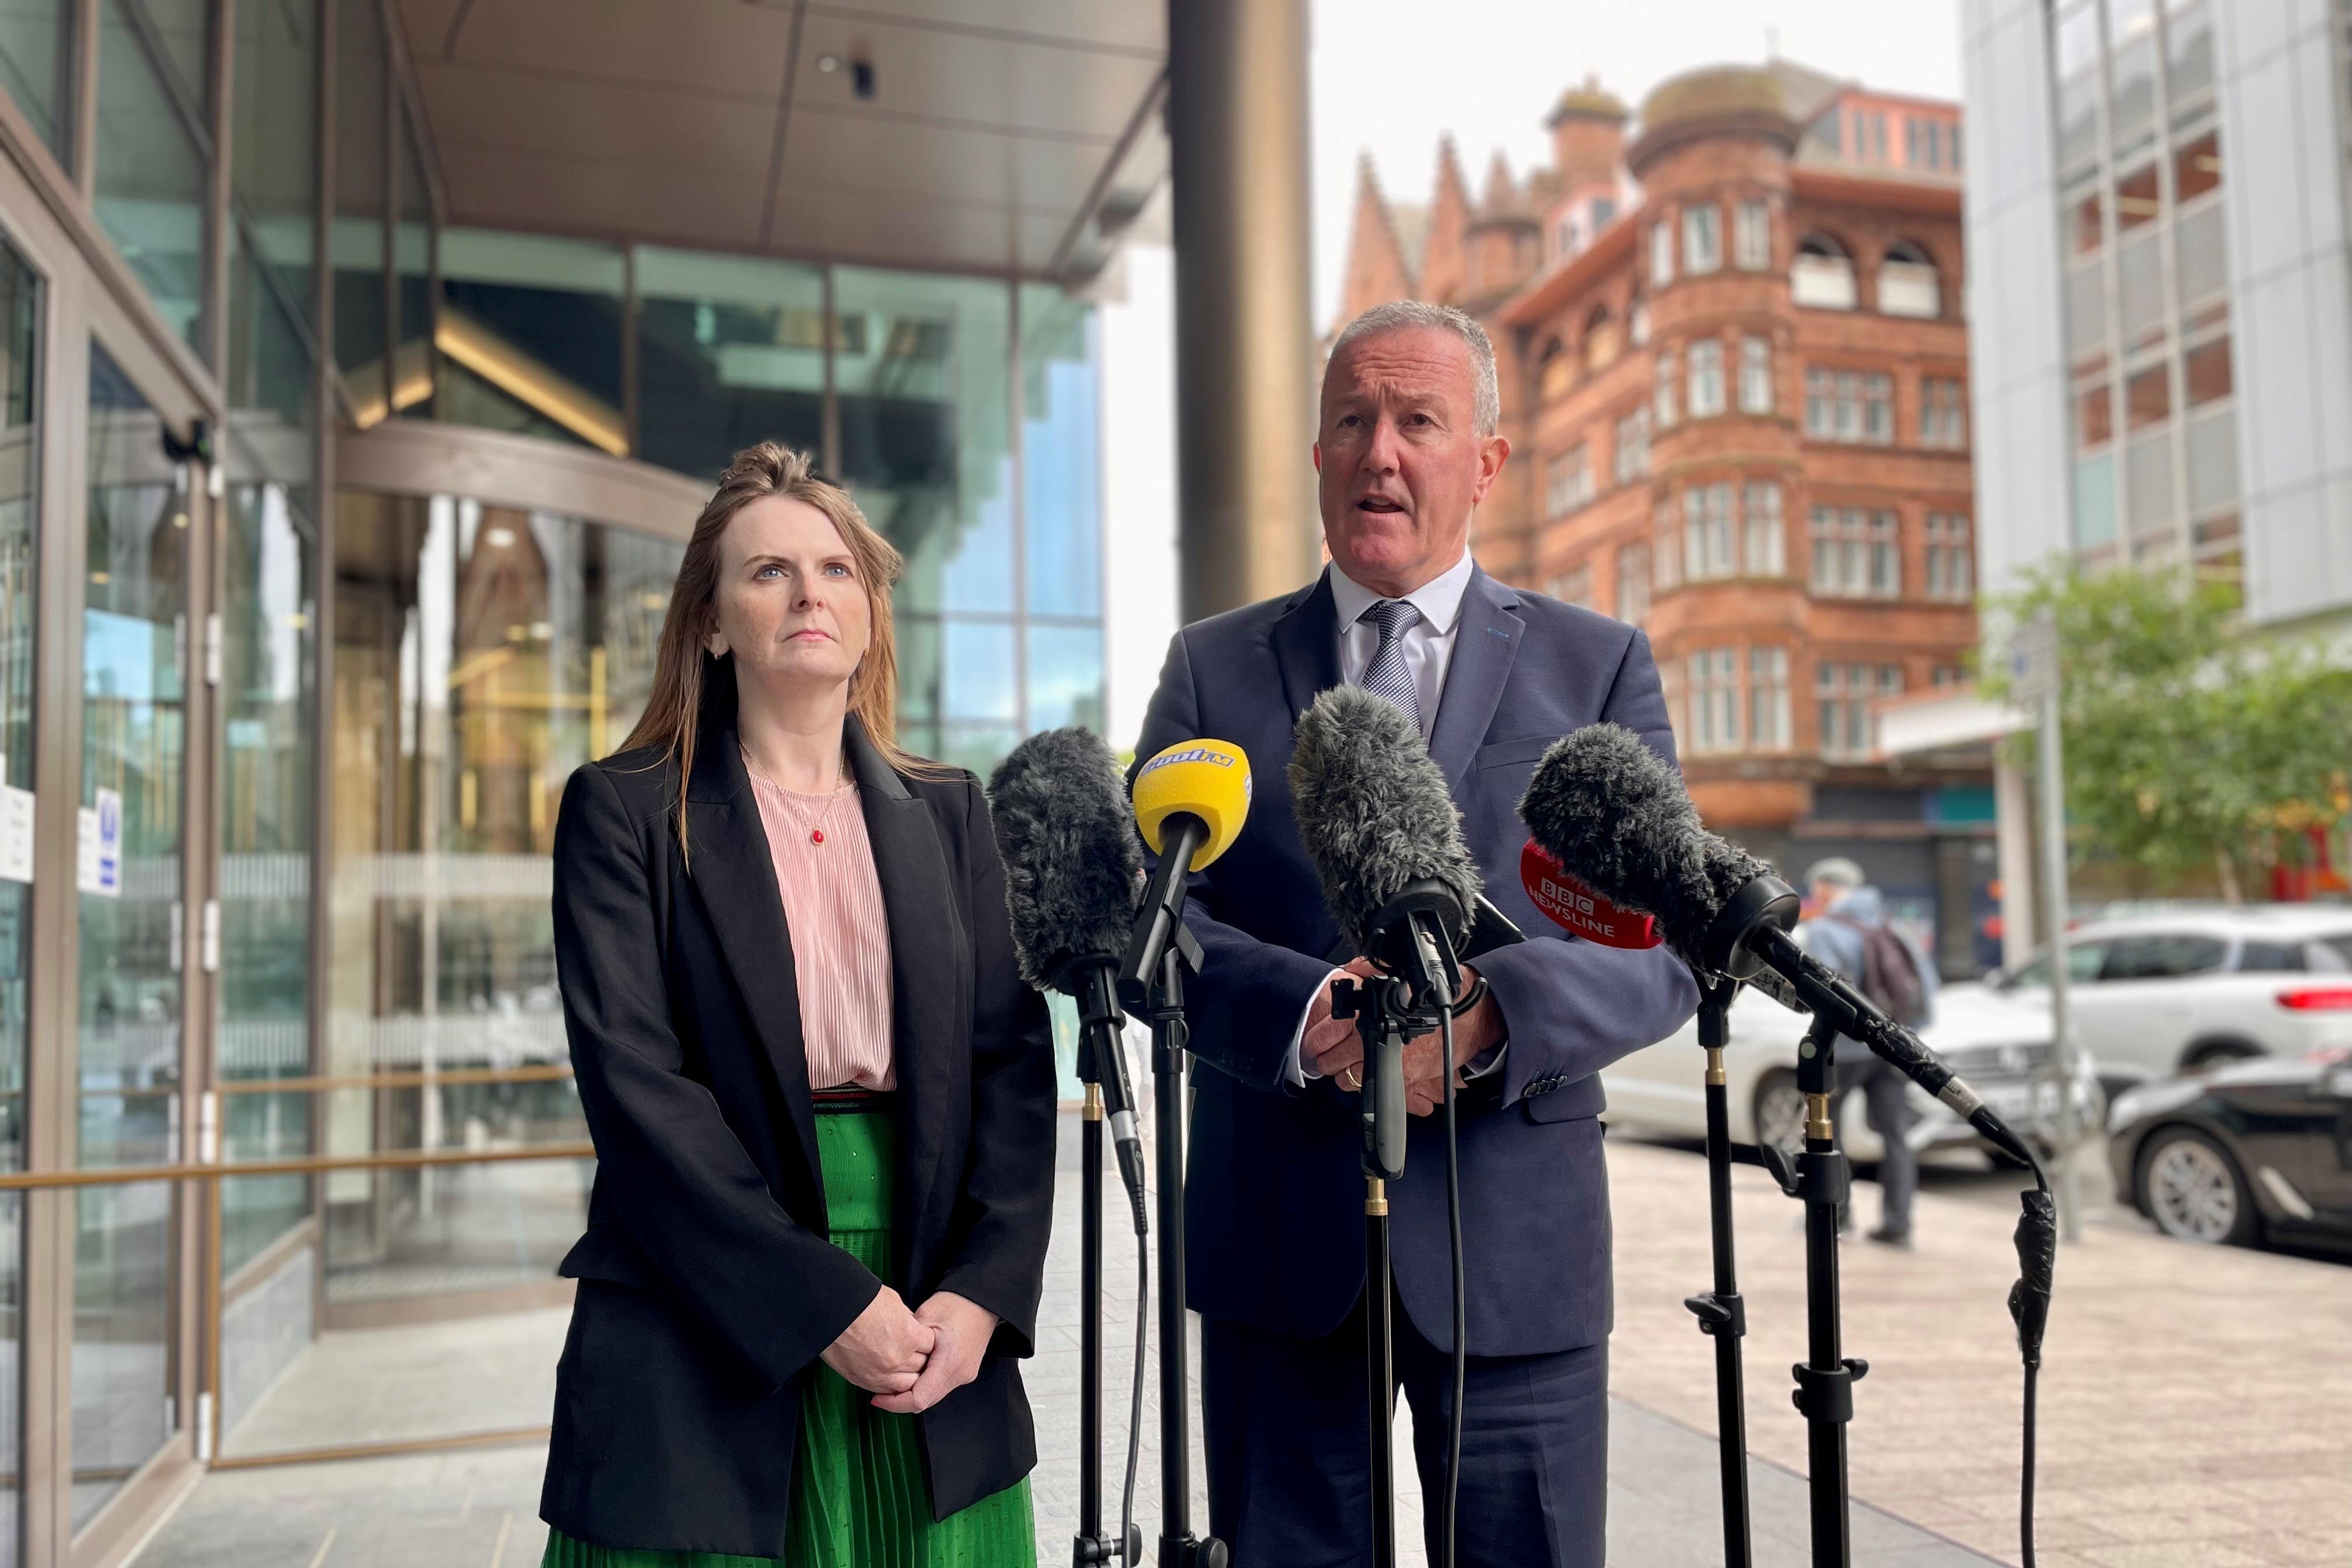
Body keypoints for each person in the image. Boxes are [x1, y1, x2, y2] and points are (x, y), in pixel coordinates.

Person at [1133, 300, 1700, 1567]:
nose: (1380, 450)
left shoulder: (1595, 665)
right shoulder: (1211, 668)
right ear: (1320, 458)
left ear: (1485, 462)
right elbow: (1159, 915)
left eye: (1418, 421)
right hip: (1280, 1245)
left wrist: (1496, 1019)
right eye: (1352, 422)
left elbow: (1663, 942)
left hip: (1515, 1259)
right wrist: (1302, 1013)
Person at [538, 443, 1055, 1566]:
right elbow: (637, 1096)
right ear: (712, 623)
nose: (809, 591)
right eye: (768, 571)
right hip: (704, 1293)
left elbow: (1012, 1066)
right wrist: (821, 1303)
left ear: (869, 613)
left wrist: (981, 1295)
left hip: (929, 1307)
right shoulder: (621, 811)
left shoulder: (953, 811)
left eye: (835, 569)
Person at [1791, 856, 1938, 1248]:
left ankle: (1834, 1214)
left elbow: (1826, 993)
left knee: (1827, 1129)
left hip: (1846, 1050)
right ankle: (1899, 1221)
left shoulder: (1825, 930)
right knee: (1895, 1135)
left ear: (1824, 888)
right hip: (1893, 1048)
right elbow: (1926, 983)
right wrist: (1907, 1036)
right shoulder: (1892, 925)